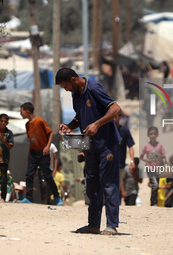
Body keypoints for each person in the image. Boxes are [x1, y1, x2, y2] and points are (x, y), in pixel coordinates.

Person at [56, 68, 122, 235]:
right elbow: (80, 116)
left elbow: (116, 109)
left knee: (109, 185)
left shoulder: (93, 88)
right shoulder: (75, 94)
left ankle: (112, 225)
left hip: (107, 145)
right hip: (90, 147)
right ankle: (93, 225)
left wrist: (97, 124)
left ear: (72, 79)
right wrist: (69, 126)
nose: (66, 90)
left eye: (65, 86)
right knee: (92, 187)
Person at [18, 102, 62, 206]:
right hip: (34, 153)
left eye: (21, 112)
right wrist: (29, 156)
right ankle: (29, 198)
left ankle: (57, 197)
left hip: (43, 152)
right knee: (29, 174)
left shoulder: (40, 121)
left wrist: (47, 146)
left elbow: (50, 133)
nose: (21, 114)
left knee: (47, 175)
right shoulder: (27, 125)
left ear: (27, 112)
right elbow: (32, 141)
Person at [140, 126, 166, 206]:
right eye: (151, 134)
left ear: (157, 134)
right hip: (149, 168)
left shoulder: (160, 145)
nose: (153, 135)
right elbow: (141, 157)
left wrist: (159, 156)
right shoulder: (146, 146)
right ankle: (153, 201)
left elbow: (164, 156)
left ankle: (154, 202)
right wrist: (147, 160)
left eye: (154, 134)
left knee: (155, 186)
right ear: (148, 135)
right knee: (155, 185)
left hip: (158, 169)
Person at [113, 113, 135, 203]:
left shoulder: (125, 131)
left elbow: (130, 146)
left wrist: (132, 160)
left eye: (115, 117)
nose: (113, 119)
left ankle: (116, 205)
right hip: (108, 164)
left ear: (120, 118)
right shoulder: (108, 130)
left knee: (117, 186)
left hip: (120, 164)